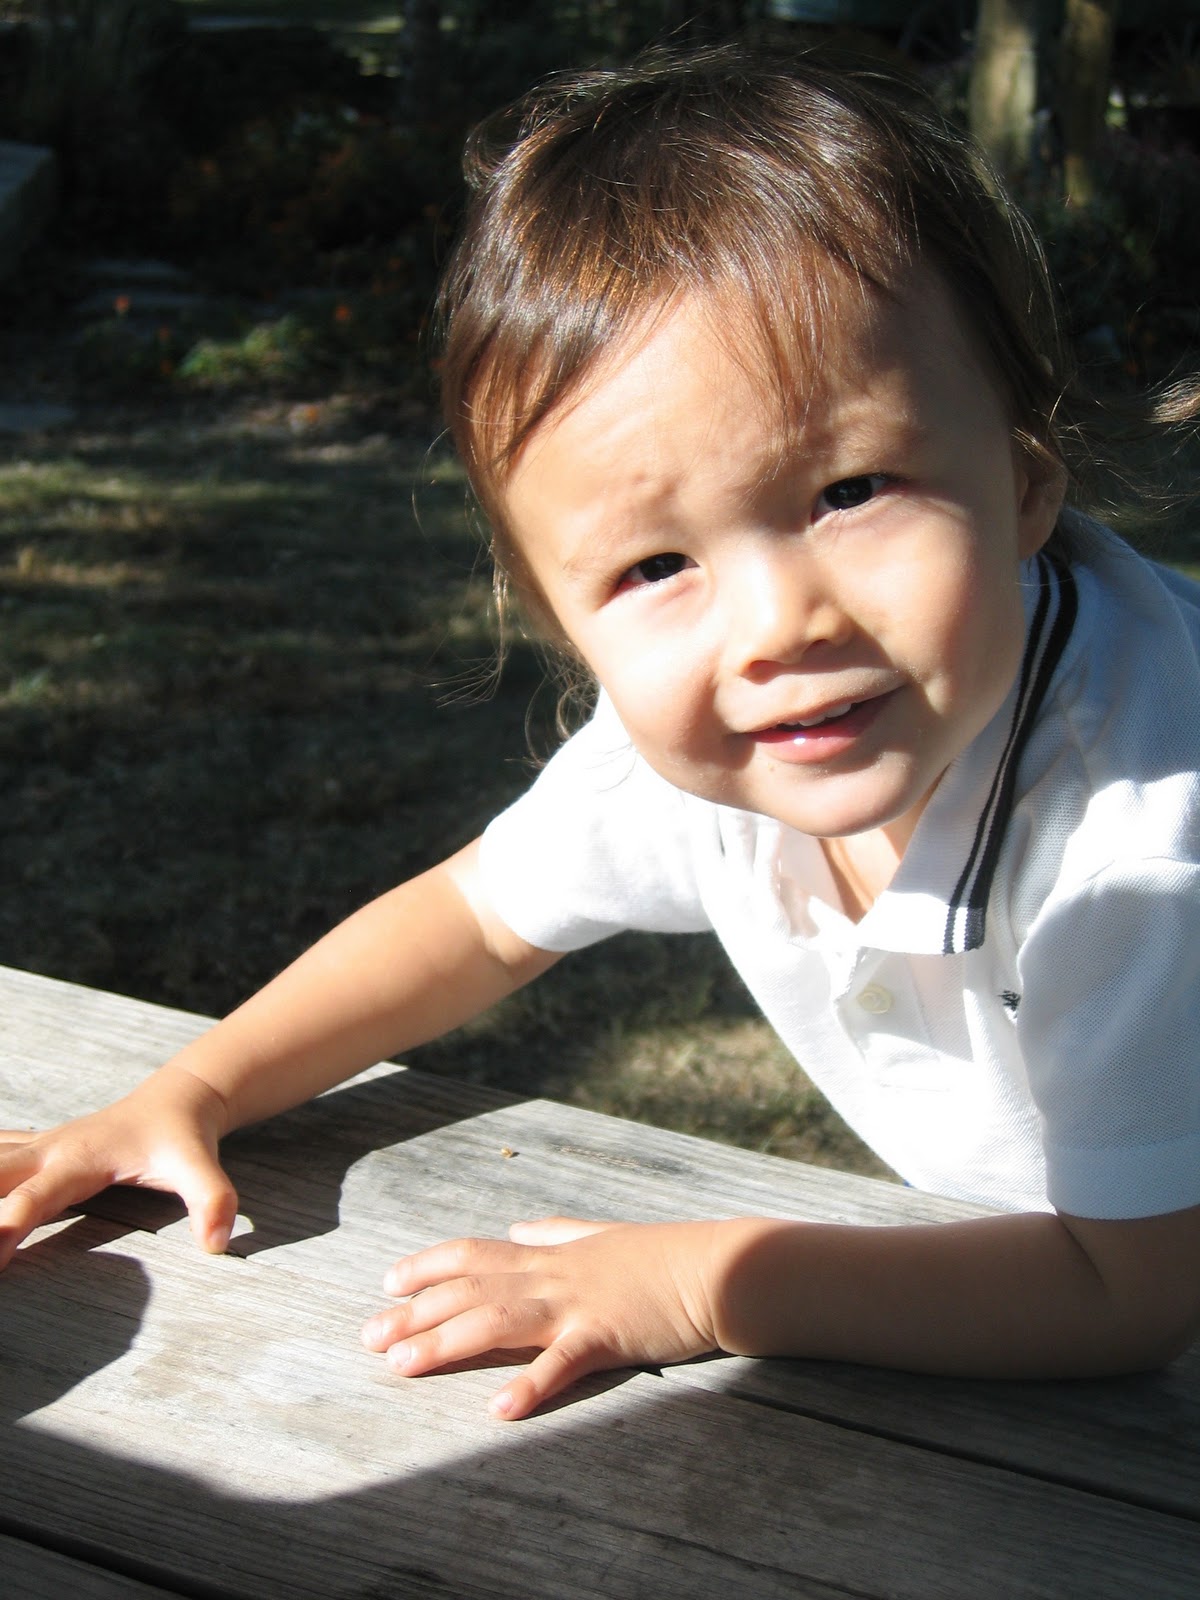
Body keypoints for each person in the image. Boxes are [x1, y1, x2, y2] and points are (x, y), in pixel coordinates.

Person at [2, 46, 1198, 1421]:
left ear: (1027, 483)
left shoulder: (1139, 854)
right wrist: (198, 1088)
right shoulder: (729, 735)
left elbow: (1131, 1291)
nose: (775, 624)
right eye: (654, 567)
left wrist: (702, 1284)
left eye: (852, 489)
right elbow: (475, 919)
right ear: (563, 622)